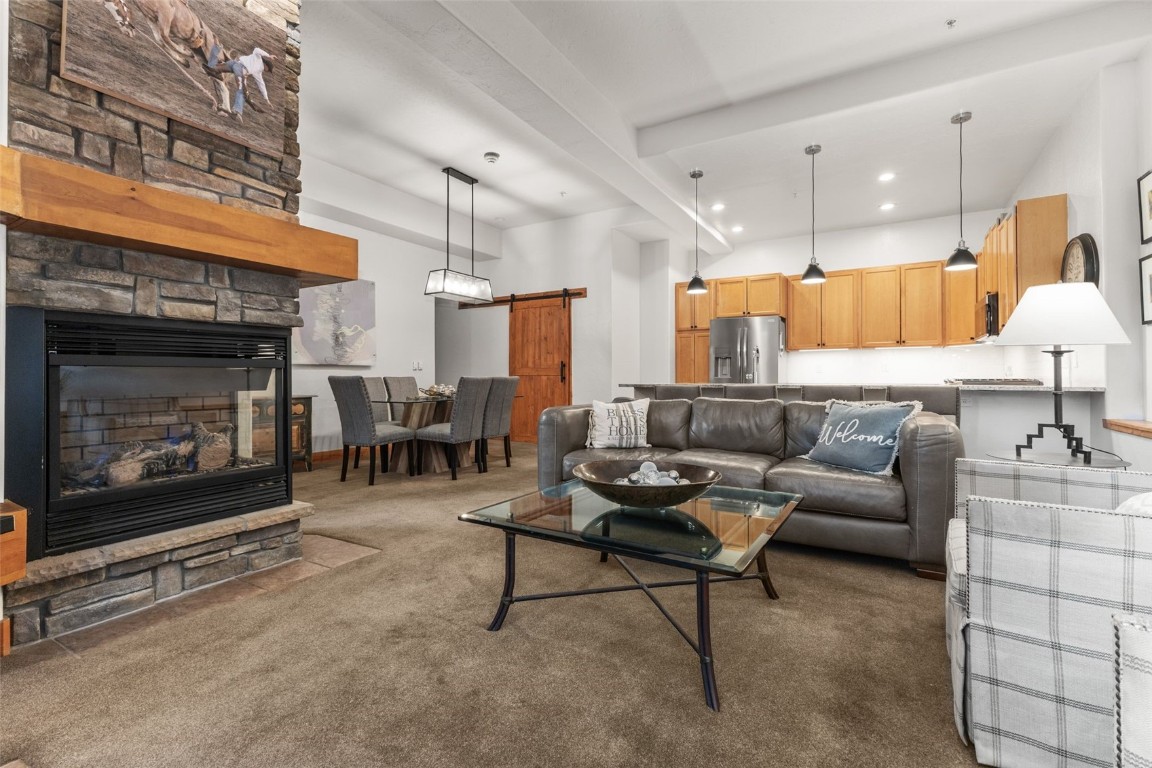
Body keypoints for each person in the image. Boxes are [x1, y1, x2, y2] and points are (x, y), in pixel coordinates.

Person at [206, 45, 275, 121]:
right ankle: (237, 111)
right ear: (266, 65)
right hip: (240, 69)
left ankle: (214, 53)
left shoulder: (258, 72)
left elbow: (261, 84)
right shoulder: (258, 58)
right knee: (242, 90)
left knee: (216, 68)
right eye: (268, 69)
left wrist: (266, 98)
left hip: (235, 64)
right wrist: (268, 55)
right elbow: (257, 49)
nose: (267, 71)